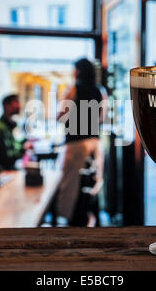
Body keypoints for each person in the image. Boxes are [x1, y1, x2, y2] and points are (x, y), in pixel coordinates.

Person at [55, 58, 107, 225]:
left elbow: (61, 117)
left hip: (77, 143)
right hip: (95, 143)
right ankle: (90, 216)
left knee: (71, 184)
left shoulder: (74, 89)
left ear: (79, 71)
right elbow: (101, 118)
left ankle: (72, 220)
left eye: (74, 69)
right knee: (92, 182)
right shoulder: (101, 91)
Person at [0, 94, 31, 170]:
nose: (20, 105)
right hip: (4, 172)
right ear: (7, 106)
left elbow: (13, 145)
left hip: (9, 169)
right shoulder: (0, 130)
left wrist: (25, 141)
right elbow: (6, 158)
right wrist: (24, 148)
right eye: (16, 102)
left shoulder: (8, 127)